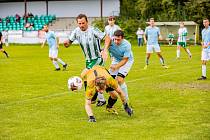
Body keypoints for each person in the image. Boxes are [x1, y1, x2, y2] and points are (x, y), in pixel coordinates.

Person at [64, 14, 111, 106]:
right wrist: (66, 43)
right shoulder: (76, 31)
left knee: (83, 74)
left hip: (97, 58)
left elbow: (107, 38)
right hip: (88, 60)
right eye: (79, 23)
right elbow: (69, 42)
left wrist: (105, 50)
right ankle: (101, 99)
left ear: (87, 22)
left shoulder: (93, 30)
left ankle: (92, 96)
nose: (81, 25)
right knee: (91, 78)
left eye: (83, 23)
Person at [103, 30, 133, 102]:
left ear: (122, 38)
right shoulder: (110, 41)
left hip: (127, 61)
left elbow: (125, 60)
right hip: (116, 60)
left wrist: (116, 66)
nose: (116, 41)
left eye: (118, 40)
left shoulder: (127, 45)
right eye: (115, 39)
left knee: (119, 79)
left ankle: (126, 101)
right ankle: (109, 101)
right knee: (109, 80)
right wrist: (105, 51)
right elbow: (105, 46)